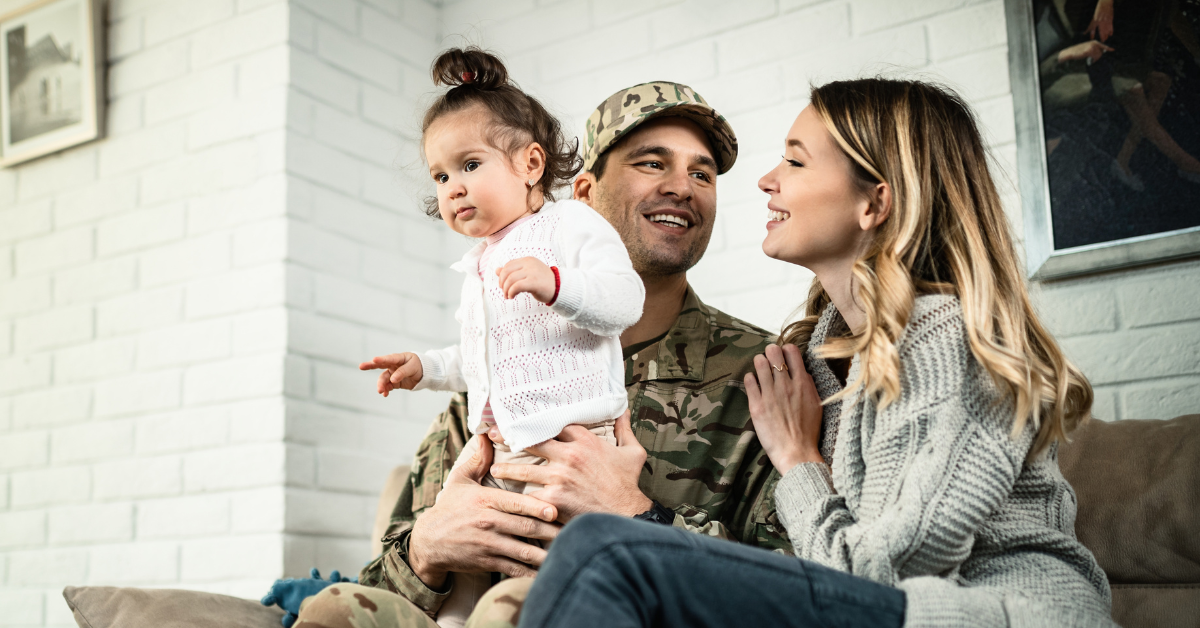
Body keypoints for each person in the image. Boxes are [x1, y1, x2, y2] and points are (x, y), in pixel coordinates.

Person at [517, 78, 1117, 628]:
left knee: (609, 552)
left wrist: (799, 462)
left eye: (796, 161)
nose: (765, 179)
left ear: (874, 205)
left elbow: (881, 573)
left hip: (1002, 617)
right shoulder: (818, 360)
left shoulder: (947, 344)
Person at [280, 76, 804, 627]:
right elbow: (380, 584)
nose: (683, 186)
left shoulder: (762, 376)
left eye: (702, 173)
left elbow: (800, 596)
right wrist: (428, 549)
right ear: (582, 196)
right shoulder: (491, 379)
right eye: (652, 163)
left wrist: (638, 517)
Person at [357, 46, 645, 626]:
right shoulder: (482, 263)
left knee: (543, 564)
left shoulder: (569, 226)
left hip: (573, 443)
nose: (453, 188)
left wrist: (557, 283)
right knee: (468, 548)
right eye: (440, 176)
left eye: (469, 165)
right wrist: (427, 368)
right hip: (501, 445)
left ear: (530, 164)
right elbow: (484, 356)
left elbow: (624, 301)